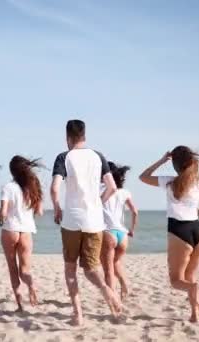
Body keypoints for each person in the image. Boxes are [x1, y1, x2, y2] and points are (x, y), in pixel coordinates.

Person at [50, 119, 122, 326]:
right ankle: (107, 290)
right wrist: (98, 203)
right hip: (94, 221)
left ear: (68, 138)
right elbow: (112, 187)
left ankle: (78, 314)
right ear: (84, 135)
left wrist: (56, 207)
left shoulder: (64, 157)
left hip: (72, 220)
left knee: (70, 269)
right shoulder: (98, 156)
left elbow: (55, 188)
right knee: (91, 268)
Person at [139, 146, 199, 323]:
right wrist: (195, 212)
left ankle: (195, 289)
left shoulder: (170, 182)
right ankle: (195, 315)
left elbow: (143, 177)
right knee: (190, 277)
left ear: (175, 164)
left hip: (179, 232)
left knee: (176, 281)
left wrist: (161, 160)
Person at [0, 156, 43, 312]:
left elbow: (3, 212)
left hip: (10, 229)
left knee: (12, 269)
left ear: (12, 171)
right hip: (27, 231)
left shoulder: (8, 187)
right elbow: (40, 212)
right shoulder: (32, 188)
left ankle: (20, 305)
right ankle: (31, 284)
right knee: (25, 270)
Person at [100, 162, 139, 302]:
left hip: (107, 232)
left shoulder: (100, 189)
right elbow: (134, 211)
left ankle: (114, 299)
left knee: (108, 270)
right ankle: (124, 284)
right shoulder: (124, 192)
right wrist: (132, 229)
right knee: (116, 263)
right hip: (122, 234)